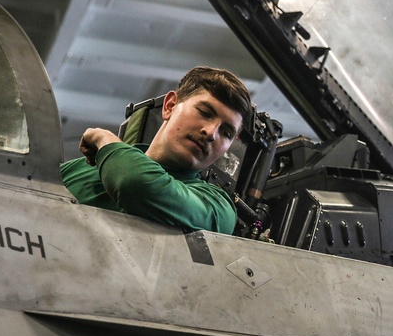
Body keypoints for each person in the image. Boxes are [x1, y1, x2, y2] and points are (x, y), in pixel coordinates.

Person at [61, 66, 251, 234]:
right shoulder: (78, 170)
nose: (211, 133)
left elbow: (134, 183)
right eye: (204, 113)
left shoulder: (217, 208)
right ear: (170, 106)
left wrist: (104, 138)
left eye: (226, 133)